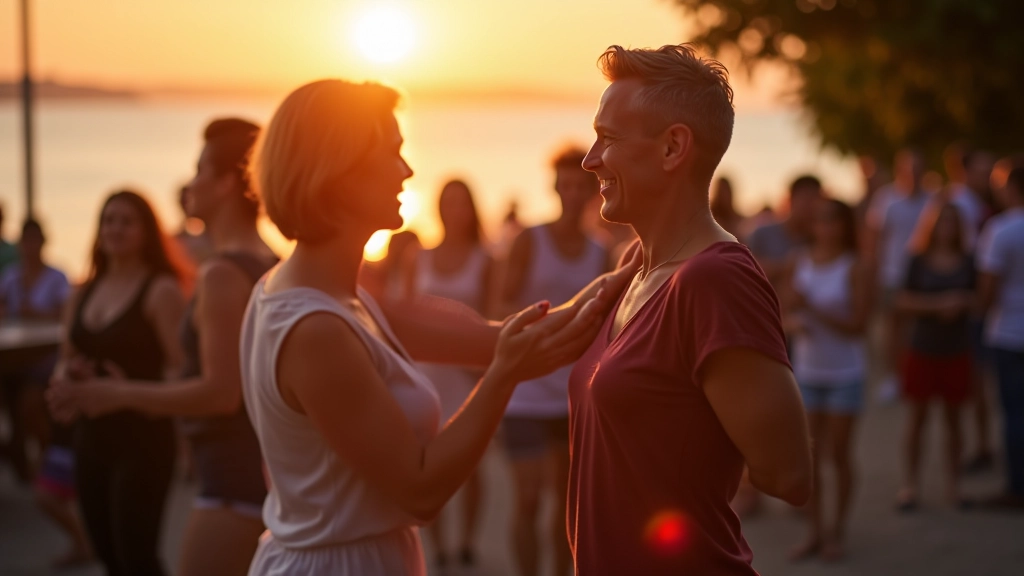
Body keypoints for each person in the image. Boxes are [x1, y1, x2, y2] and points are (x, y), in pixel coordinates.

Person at [239, 79, 633, 576]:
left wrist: (628, 273)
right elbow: (420, 491)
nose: (406, 170)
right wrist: (503, 377)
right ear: (337, 172)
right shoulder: (315, 329)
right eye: (391, 153)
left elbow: (501, 339)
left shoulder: (341, 296)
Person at [571, 44, 812, 574]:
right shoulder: (634, 267)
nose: (590, 159)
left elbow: (787, 473)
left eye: (608, 138)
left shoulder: (715, 281)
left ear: (672, 148)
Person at [49, 120, 277, 576]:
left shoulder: (222, 274)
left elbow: (221, 394)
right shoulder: (272, 263)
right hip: (262, 473)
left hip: (233, 479)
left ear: (226, 184)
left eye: (199, 170)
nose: (190, 183)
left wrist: (117, 393)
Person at [47, 190, 187, 576]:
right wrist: (67, 380)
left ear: (146, 231)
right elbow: (65, 359)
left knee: (136, 558)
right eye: (109, 220)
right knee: (107, 555)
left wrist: (129, 388)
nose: (116, 228)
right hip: (90, 437)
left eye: (127, 221)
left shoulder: (161, 290)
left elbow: (181, 370)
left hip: (144, 440)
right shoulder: (82, 292)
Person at [499, 146, 609, 576]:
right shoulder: (530, 240)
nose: (574, 194)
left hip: (572, 392)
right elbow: (502, 305)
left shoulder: (600, 252)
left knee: (567, 505)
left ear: (594, 192)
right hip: (526, 389)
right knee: (527, 499)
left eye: (582, 186)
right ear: (556, 188)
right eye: (567, 185)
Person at [403, 179, 494, 568]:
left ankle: (467, 542)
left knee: (472, 464)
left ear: (472, 209)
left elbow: (492, 318)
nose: (455, 210)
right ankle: (438, 546)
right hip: (427, 372)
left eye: (462, 203)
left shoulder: (484, 259)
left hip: (467, 373)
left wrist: (483, 369)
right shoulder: (419, 257)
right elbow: (407, 315)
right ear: (438, 209)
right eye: (448, 203)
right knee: (430, 462)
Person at [785, 198, 870, 562]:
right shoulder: (799, 261)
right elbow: (784, 310)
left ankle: (837, 532)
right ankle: (815, 531)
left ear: (845, 226)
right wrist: (794, 321)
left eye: (834, 221)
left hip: (845, 372)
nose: (827, 228)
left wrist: (811, 309)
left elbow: (859, 326)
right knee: (810, 458)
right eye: (821, 221)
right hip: (808, 372)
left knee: (839, 454)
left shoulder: (855, 266)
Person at [895, 200, 976, 511]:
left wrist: (962, 302)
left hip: (957, 349)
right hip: (923, 349)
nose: (947, 227)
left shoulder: (968, 260)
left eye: (952, 221)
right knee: (917, 419)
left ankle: (954, 485)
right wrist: (939, 305)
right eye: (942, 221)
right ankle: (910, 485)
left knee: (955, 421)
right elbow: (903, 301)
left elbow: (981, 299)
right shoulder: (918, 260)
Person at [0, 220, 72, 482]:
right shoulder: (11, 277)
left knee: (29, 403)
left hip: (44, 358)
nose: (30, 247)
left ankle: (46, 458)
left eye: (34, 240)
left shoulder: (57, 277)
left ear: (43, 242)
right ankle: (21, 460)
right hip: (11, 358)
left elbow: (67, 314)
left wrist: (37, 314)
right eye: (26, 241)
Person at [866, 149, 933, 403]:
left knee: (919, 328)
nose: (914, 174)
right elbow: (875, 238)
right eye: (909, 169)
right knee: (893, 328)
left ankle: (916, 374)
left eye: (918, 169)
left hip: (923, 276)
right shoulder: (887, 199)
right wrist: (875, 272)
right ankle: (892, 376)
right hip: (892, 274)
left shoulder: (932, 199)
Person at [977, 166, 1024, 509]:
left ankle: (1017, 487)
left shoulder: (1001, 229)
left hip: (1008, 332)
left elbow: (988, 288)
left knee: (1014, 414)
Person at [748, 175, 822, 290]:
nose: (809, 207)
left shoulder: (819, 239)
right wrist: (786, 267)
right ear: (791, 199)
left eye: (815, 200)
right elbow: (749, 269)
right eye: (805, 200)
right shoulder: (762, 233)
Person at [174, 184, 216, 266]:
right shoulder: (178, 239)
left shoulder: (215, 234)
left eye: (188, 200)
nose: (187, 205)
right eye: (183, 202)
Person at [710, 176, 745, 240]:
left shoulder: (736, 217)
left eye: (726, 191)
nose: (724, 195)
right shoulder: (711, 215)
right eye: (722, 191)